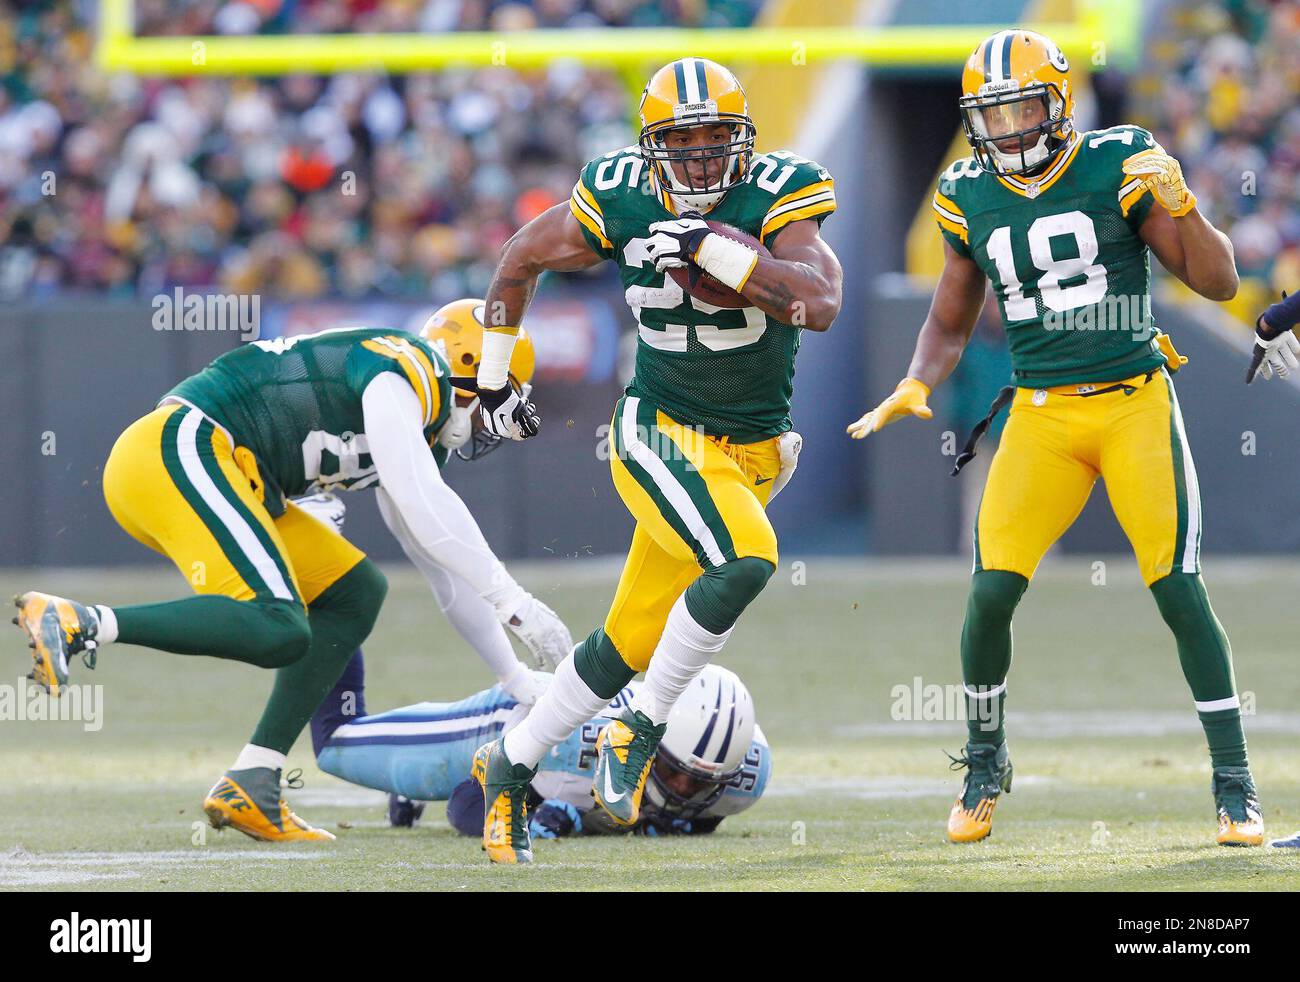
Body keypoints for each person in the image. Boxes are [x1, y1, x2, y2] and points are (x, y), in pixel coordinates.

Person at [848, 30, 1261, 846]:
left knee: (1178, 588)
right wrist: (916, 382)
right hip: (1040, 412)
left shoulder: (1120, 162)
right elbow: (950, 310)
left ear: (1059, 104)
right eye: (989, 116)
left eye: (1020, 109)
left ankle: (1235, 782)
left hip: (1133, 400)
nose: (1005, 131)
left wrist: (1182, 202)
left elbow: (1218, 282)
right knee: (990, 592)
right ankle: (983, 759)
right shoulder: (969, 190)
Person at [465, 56, 841, 863]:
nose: (701, 156)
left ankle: (510, 767)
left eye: (716, 140)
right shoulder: (620, 194)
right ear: (650, 146)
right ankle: (638, 729)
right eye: (684, 140)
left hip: (754, 450)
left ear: (744, 143)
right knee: (745, 561)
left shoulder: (779, 191)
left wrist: (721, 251)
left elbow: (822, 302)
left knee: (625, 642)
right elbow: (519, 258)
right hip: (658, 428)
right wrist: (492, 377)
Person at [13, 300, 570, 842]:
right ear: (474, 367)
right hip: (185, 446)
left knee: (354, 592)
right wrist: (512, 598)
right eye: (502, 393)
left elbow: (440, 565)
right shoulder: (411, 368)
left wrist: (515, 679)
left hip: (233, 472)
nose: (499, 415)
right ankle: (82, 621)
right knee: (278, 626)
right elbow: (421, 498)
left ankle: (253, 780)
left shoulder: (418, 425)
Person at [311, 658, 769, 840]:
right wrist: (531, 816)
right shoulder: (575, 754)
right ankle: (333, 595)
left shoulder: (738, 764)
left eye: (699, 782)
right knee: (336, 742)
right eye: (673, 774)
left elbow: (703, 812)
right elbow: (468, 805)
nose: (683, 791)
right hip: (503, 727)